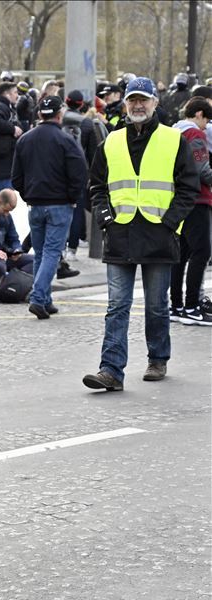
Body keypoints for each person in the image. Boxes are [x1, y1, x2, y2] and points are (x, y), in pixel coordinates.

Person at [83, 77, 199, 391]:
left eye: (143, 100)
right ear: (125, 104)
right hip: (120, 233)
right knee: (117, 305)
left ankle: (158, 357)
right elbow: (97, 186)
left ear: (154, 103)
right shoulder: (111, 141)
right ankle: (111, 370)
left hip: (158, 233)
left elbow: (189, 187)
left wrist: (170, 221)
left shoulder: (174, 140)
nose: (137, 105)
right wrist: (106, 218)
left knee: (156, 305)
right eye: (133, 100)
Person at [11, 95, 87, 319]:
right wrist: (72, 197)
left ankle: (45, 299)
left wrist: (27, 194)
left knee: (41, 253)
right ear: (59, 114)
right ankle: (38, 297)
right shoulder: (65, 140)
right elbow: (79, 172)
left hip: (35, 204)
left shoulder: (25, 139)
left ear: (38, 114)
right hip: (59, 203)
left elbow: (16, 177)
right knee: (52, 252)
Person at [169, 97, 212, 325]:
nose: (206, 125)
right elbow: (201, 169)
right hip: (198, 198)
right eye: (206, 119)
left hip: (180, 198)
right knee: (202, 252)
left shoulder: (174, 133)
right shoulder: (195, 135)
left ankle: (176, 305)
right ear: (198, 115)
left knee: (182, 253)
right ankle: (192, 306)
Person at [62, 90, 99, 260]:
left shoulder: (58, 119)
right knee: (77, 211)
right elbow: (92, 154)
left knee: (60, 210)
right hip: (79, 172)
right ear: (81, 104)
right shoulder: (87, 124)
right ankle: (72, 249)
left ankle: (61, 246)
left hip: (58, 171)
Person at [0, 189, 34, 291]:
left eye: (9, 211)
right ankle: (5, 288)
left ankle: (17, 284)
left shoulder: (7, 217)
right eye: (5, 210)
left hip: (4, 255)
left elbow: (14, 238)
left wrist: (16, 250)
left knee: (35, 260)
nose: (6, 214)